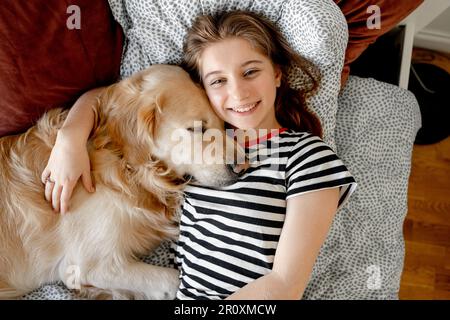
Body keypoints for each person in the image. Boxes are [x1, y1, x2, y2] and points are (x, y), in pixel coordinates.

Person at [41, 10, 356, 300]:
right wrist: (70, 137)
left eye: (250, 71)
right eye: (219, 80)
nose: (238, 93)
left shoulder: (308, 156)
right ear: (203, 91)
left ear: (276, 73)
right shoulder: (191, 148)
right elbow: (120, 101)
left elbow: (286, 284)